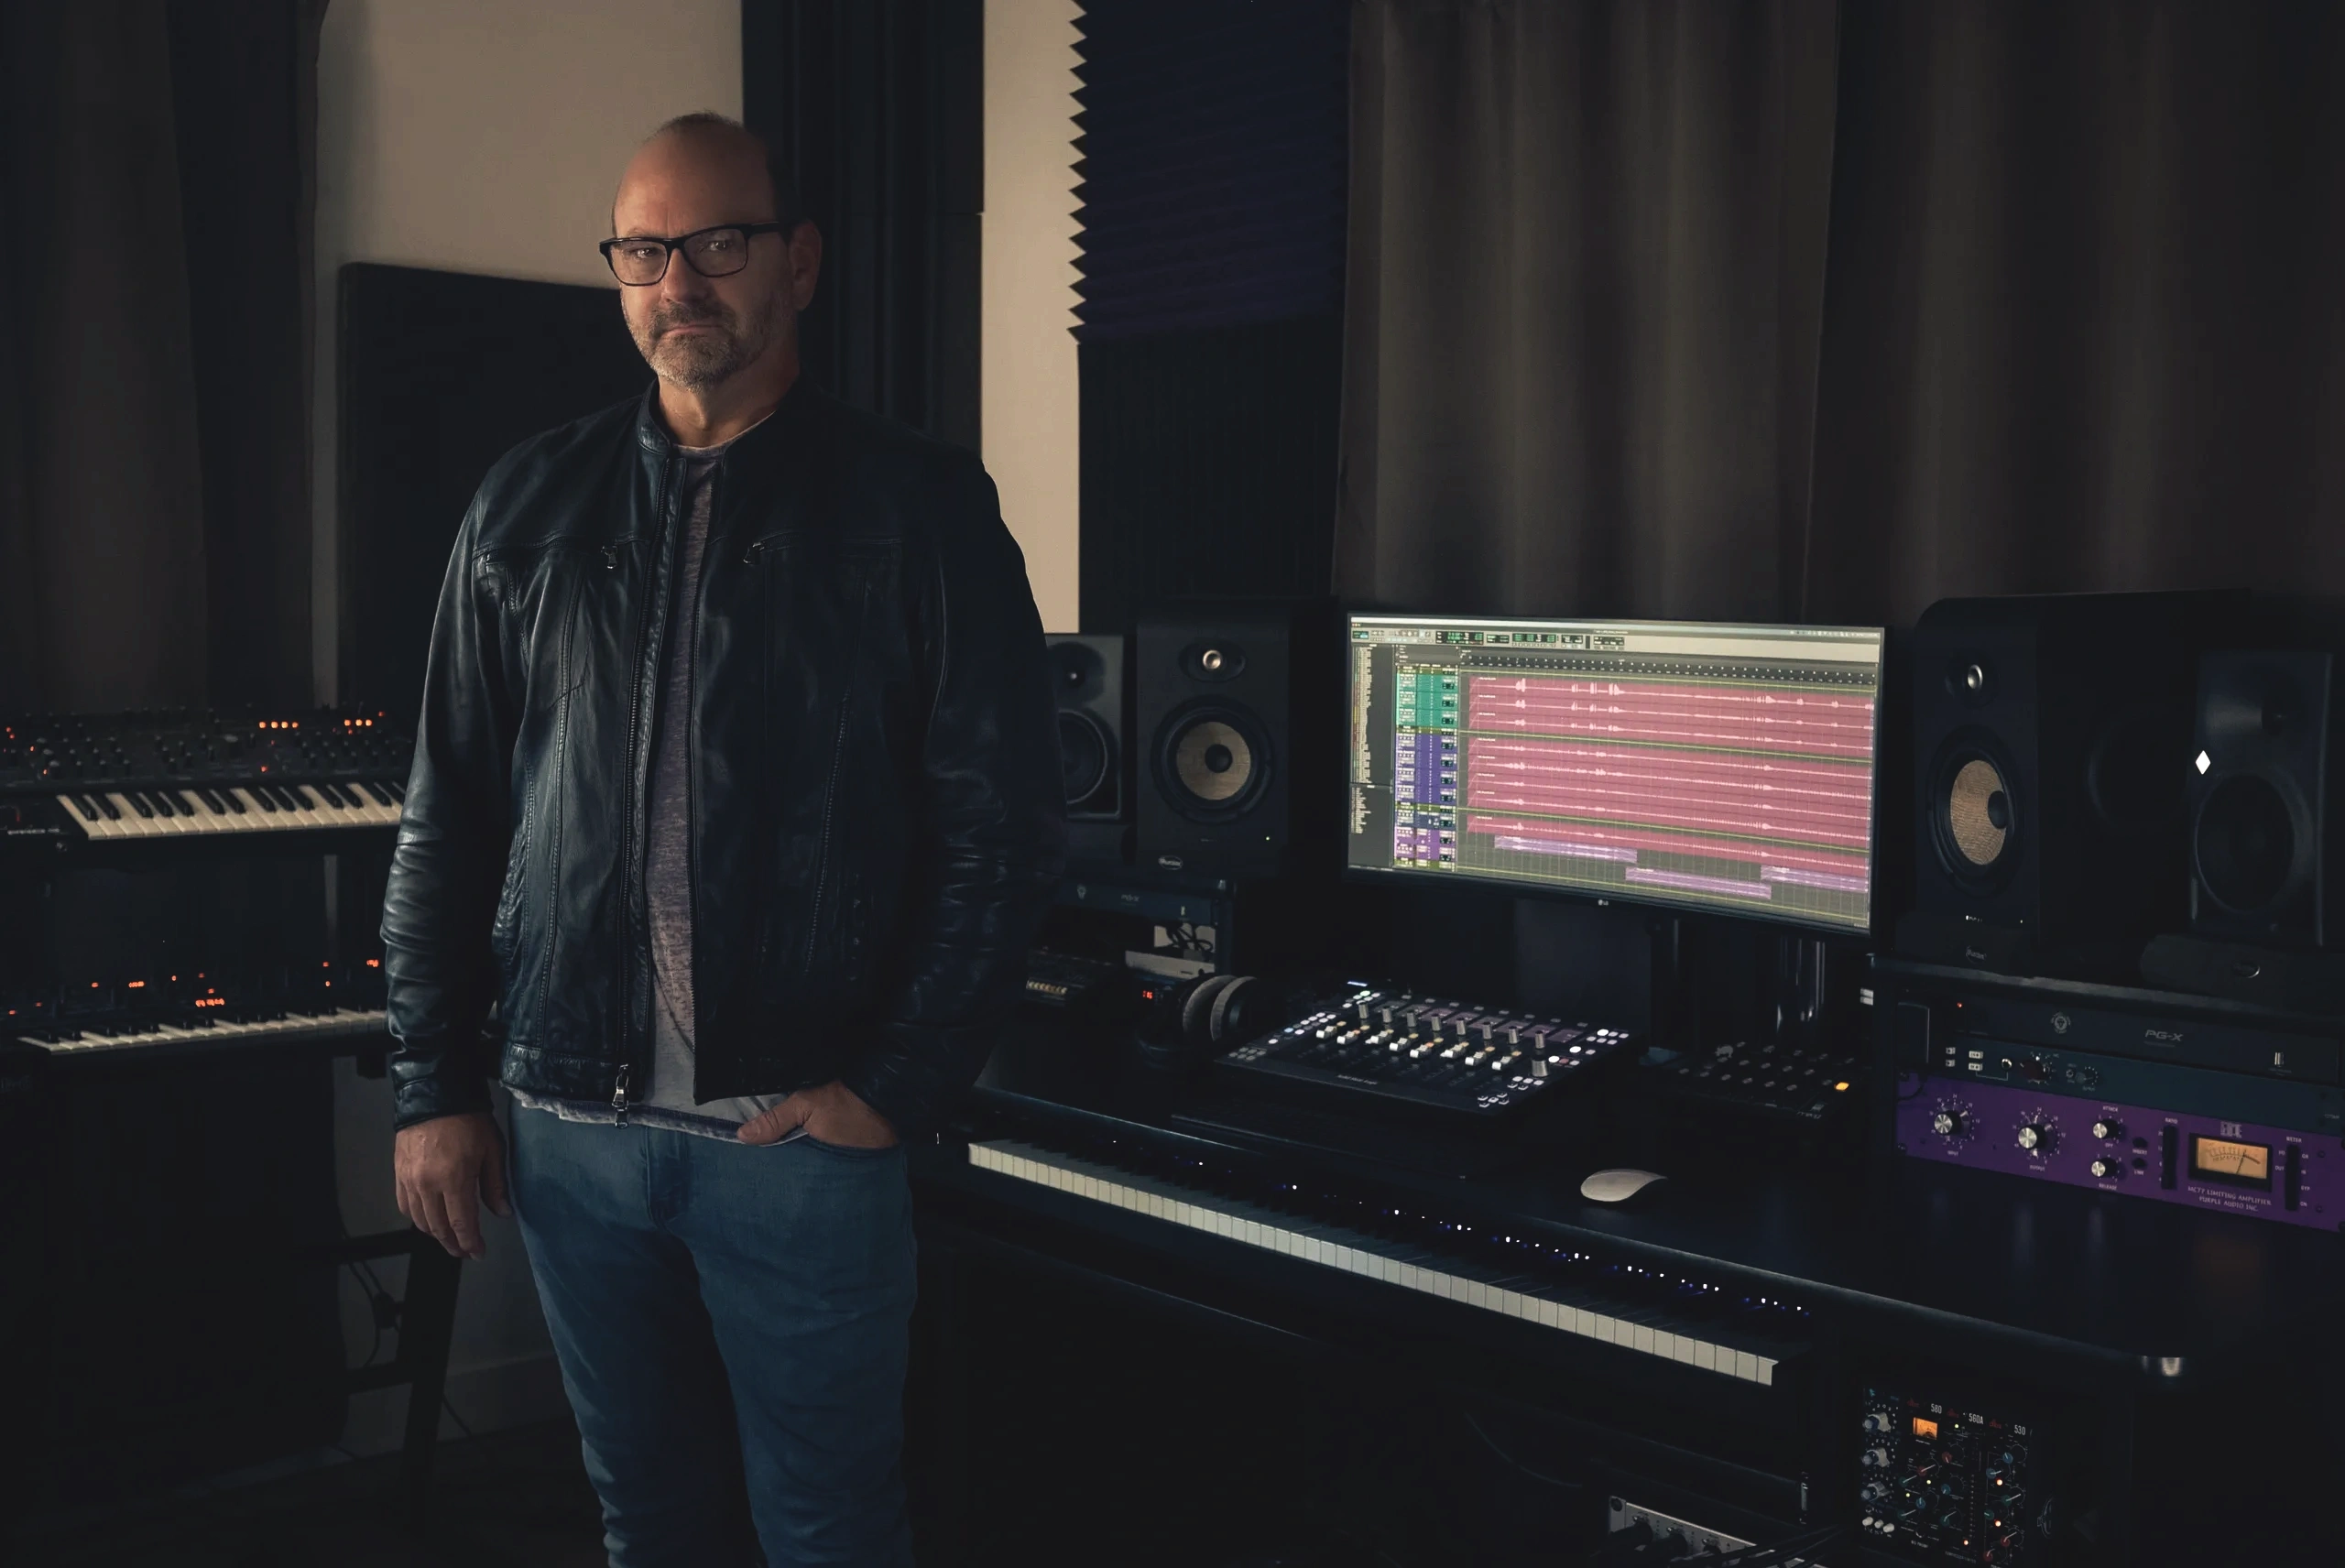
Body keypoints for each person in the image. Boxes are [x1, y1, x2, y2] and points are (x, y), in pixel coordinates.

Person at [379, 111, 1064, 1565]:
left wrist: (894, 1085)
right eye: (643, 250)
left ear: (798, 262)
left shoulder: (923, 507)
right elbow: (450, 812)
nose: (676, 281)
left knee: (827, 1534)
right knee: (652, 1528)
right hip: (568, 1136)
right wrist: (431, 1081)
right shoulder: (525, 506)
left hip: (797, 1143)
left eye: (717, 243)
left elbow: (1001, 830)